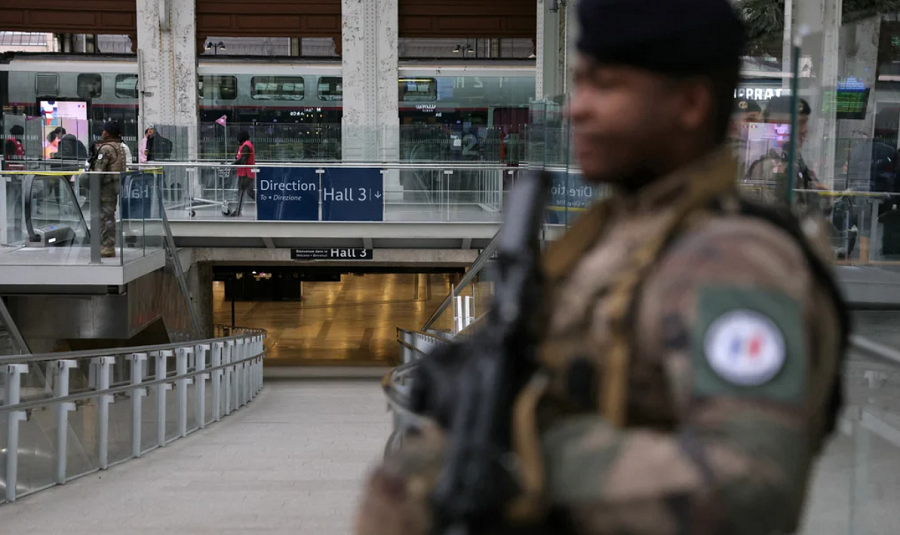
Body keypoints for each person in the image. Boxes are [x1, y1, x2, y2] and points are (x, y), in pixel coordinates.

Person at [355, 1, 848, 534]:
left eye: (606, 86)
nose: (576, 109)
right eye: (580, 83)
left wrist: (519, 449)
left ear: (689, 103)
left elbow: (750, 484)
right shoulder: (618, 235)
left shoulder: (735, 262)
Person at [90, 121, 128, 258]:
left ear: (108, 133)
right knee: (109, 216)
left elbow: (99, 170)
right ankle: (107, 245)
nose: (102, 132)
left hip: (105, 188)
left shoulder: (106, 149)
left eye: (104, 130)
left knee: (105, 217)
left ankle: (107, 246)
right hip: (114, 186)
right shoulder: (120, 147)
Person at [223, 130, 256, 217]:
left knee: (244, 192)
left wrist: (231, 165)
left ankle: (238, 211)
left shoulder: (246, 146)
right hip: (245, 173)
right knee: (247, 192)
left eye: (238, 139)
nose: (237, 141)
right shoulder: (245, 145)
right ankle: (238, 211)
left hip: (246, 173)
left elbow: (242, 160)